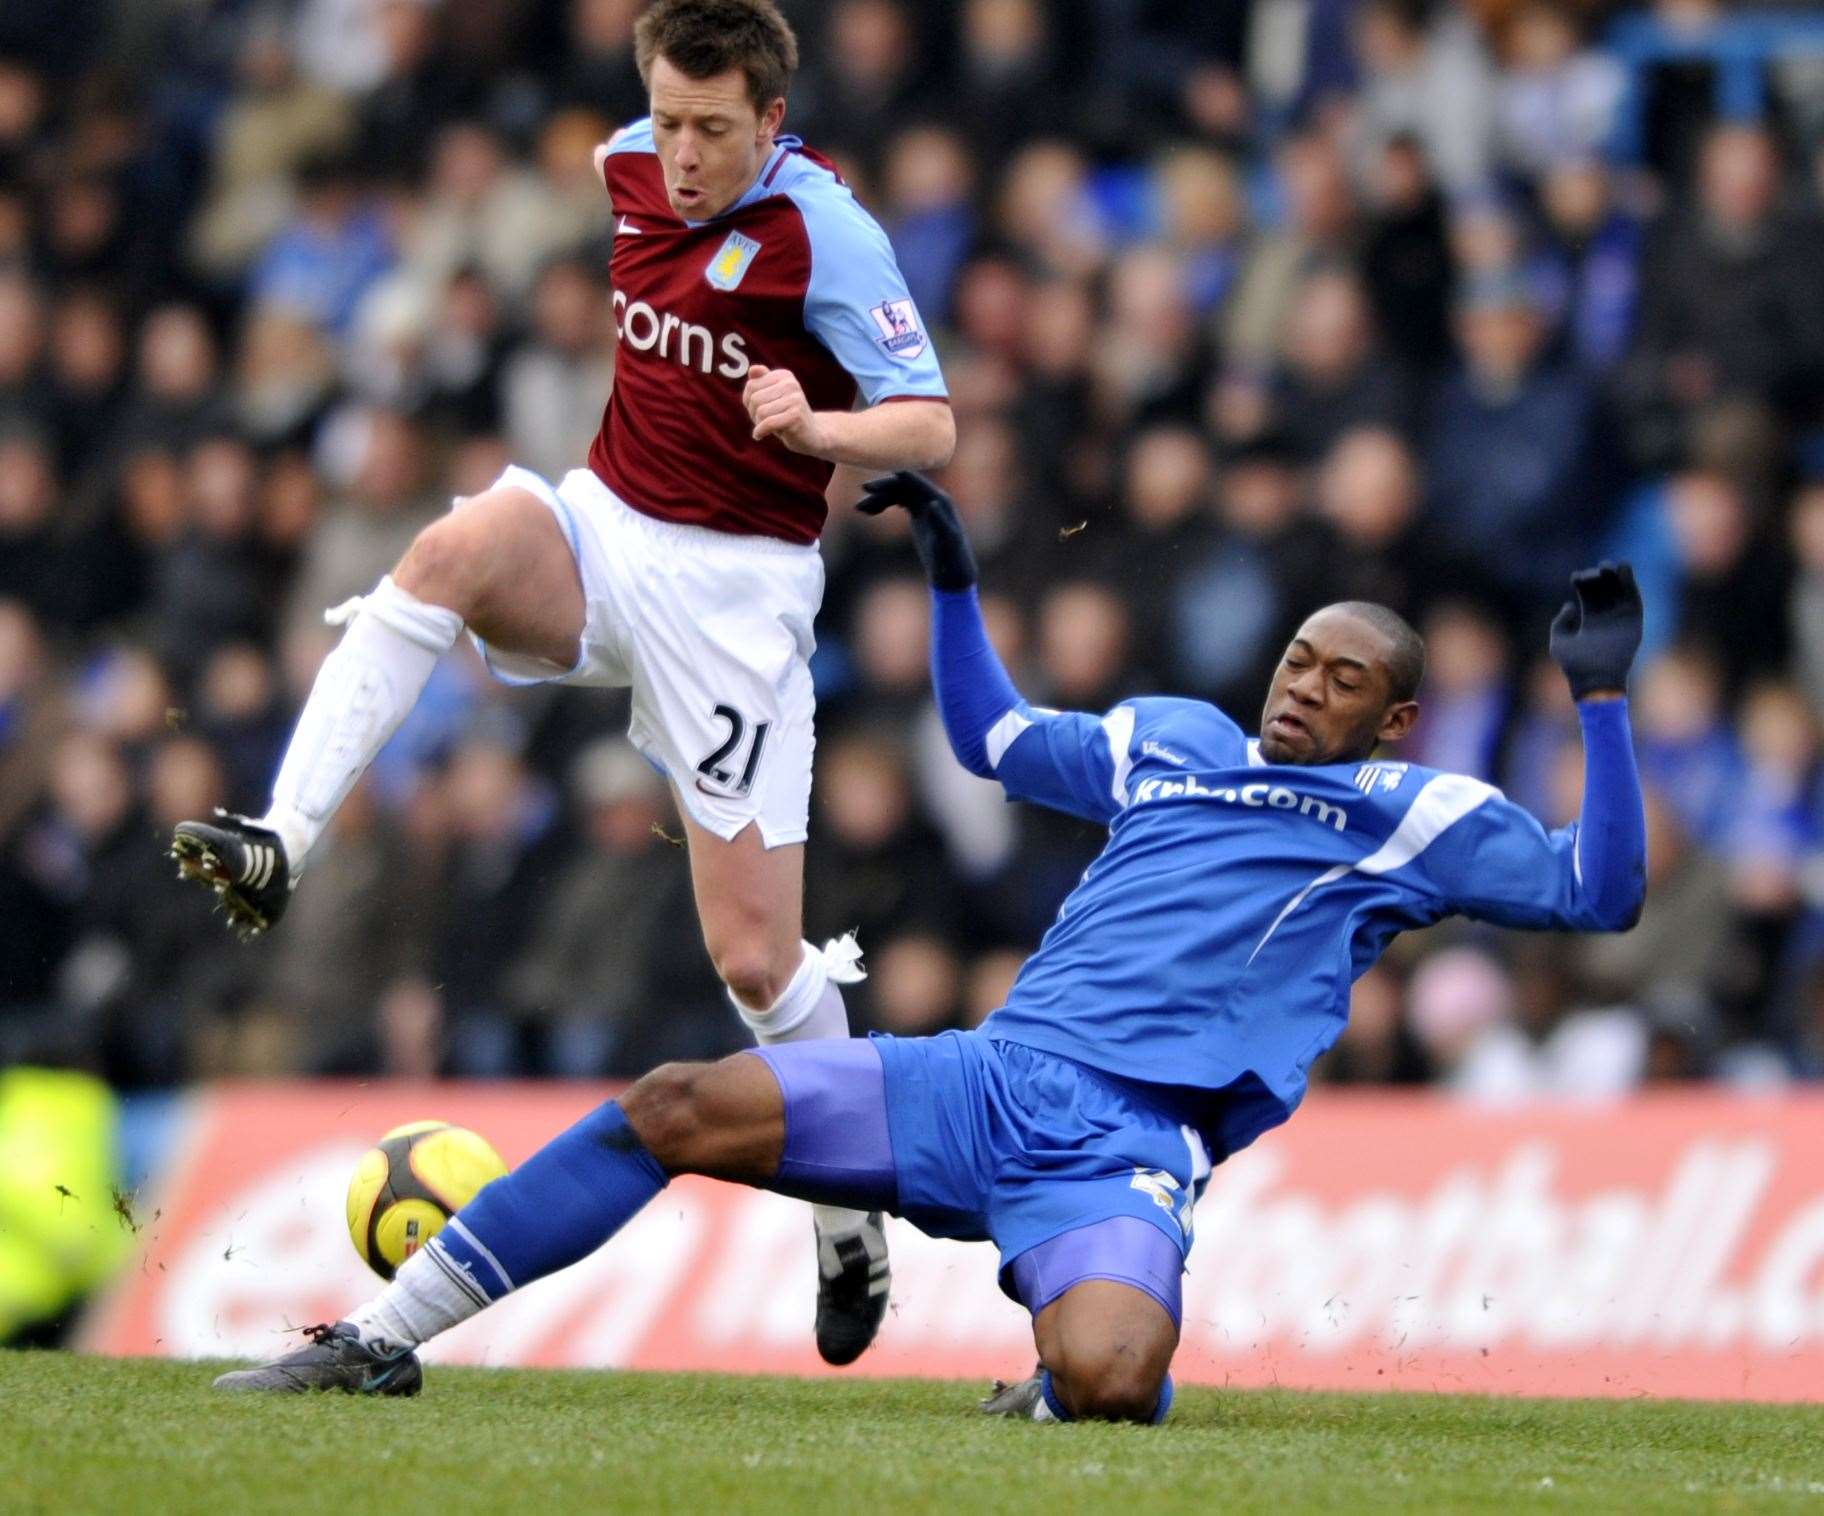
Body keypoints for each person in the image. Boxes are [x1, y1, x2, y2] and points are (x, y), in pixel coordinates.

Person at [215, 472, 1647, 1419]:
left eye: (1343, 683)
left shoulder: (1411, 817)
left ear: (1391, 720)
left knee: (1105, 1382)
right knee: (667, 1106)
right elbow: (994, 739)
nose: (1303, 690)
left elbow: (1601, 895)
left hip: (1127, 1143)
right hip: (982, 1081)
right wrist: (956, 579)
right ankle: (373, 1339)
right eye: (1297, 660)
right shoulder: (1177, 743)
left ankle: (1056, 1376)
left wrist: (1598, 707)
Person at [170, 0, 954, 1367]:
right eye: (670, 120)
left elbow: (932, 423)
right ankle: (279, 838)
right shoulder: (622, 165)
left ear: (772, 121)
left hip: (737, 599)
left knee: (758, 961)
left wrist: (818, 425)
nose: (687, 152)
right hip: (606, 530)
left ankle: (846, 1212)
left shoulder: (830, 232)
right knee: (451, 545)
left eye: (717, 127)